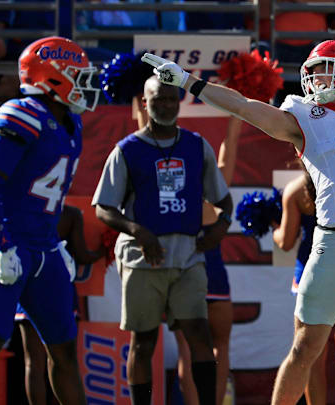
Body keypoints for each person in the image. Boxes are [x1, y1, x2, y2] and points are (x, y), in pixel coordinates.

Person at [142, 37, 335, 405]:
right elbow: (243, 107)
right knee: (304, 348)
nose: (317, 80)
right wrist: (188, 82)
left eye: (325, 70)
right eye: (314, 72)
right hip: (332, 245)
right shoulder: (305, 117)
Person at [93, 75, 234, 405]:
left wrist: (221, 226)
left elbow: (223, 200)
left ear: (180, 101)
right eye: (159, 100)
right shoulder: (127, 150)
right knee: (143, 341)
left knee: (199, 333)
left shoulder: (196, 146)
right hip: (144, 257)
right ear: (145, 103)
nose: (167, 105)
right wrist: (138, 231)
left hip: (188, 255)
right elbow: (103, 207)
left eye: (172, 99)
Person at [0, 36, 99, 405]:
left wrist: (53, 239)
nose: (85, 84)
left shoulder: (71, 124)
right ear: (52, 78)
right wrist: (0, 241)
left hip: (44, 248)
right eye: (77, 75)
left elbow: (49, 193)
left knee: (63, 352)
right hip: (9, 245)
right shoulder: (25, 112)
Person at [272, 169, 335, 405]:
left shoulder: (295, 191)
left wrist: (275, 229)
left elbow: (285, 242)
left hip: (311, 277)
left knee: (310, 356)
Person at [175, 118, 241, 405]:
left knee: (187, 349)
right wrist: (237, 110)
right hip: (212, 272)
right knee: (221, 346)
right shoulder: (216, 188)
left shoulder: (169, 191)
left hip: (183, 271)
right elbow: (231, 146)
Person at [15, 203, 105, 405]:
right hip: (57, 288)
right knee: (63, 360)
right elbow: (81, 255)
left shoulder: (23, 208)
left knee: (33, 361)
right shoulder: (70, 213)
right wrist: (103, 250)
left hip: (28, 285)